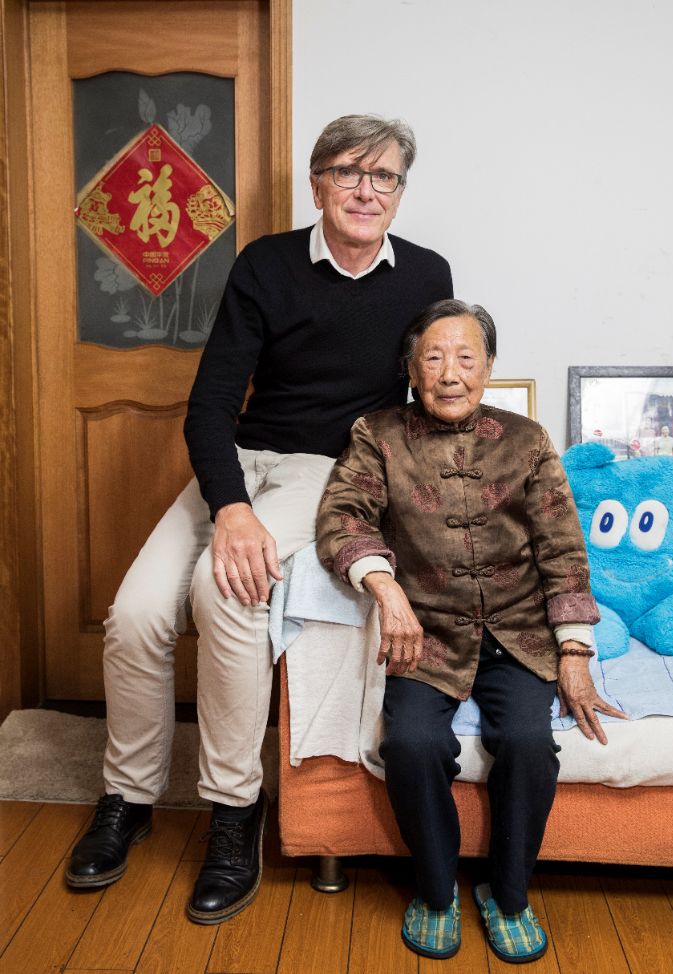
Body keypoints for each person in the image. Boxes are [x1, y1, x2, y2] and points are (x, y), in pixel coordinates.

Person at [65, 115, 453, 924]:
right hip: (243, 457)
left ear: (399, 192)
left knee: (227, 591)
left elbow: (432, 391)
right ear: (317, 184)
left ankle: (233, 810)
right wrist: (231, 503)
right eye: (348, 172)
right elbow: (212, 401)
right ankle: (127, 797)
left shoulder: (425, 274)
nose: (366, 191)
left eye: (384, 177)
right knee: (135, 613)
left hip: (325, 467)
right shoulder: (266, 264)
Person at [316, 299, 628, 963]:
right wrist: (385, 587)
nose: (449, 373)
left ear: (488, 369)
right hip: (425, 635)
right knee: (411, 745)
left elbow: (562, 547)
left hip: (519, 632)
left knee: (527, 743)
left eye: (465, 358)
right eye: (433, 358)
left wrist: (574, 650)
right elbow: (342, 518)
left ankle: (506, 894)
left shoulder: (526, 439)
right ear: (410, 369)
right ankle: (435, 893)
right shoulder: (377, 434)